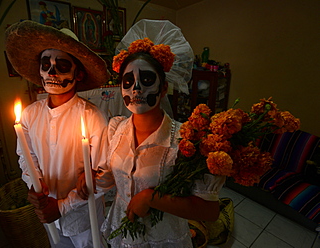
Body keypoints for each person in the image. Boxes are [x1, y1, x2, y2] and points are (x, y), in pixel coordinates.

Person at [78, 19, 226, 247]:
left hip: (163, 239)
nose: (136, 88)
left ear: (164, 87)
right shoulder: (115, 129)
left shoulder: (184, 140)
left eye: (146, 80)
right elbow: (111, 179)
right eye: (128, 81)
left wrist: (151, 198)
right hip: (123, 233)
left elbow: (209, 210)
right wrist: (89, 177)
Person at [5, 20, 110, 247]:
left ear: (78, 74)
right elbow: (26, 157)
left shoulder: (93, 117)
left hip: (84, 220)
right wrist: (34, 182)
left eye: (62, 65)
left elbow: (106, 176)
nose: (52, 72)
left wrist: (62, 206)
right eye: (46, 64)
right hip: (49, 219)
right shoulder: (29, 115)